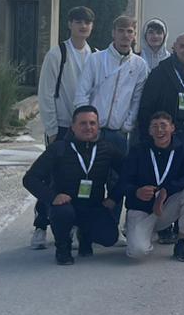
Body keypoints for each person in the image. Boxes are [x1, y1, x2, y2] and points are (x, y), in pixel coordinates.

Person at [22, 105, 122, 265]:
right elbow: (30, 179)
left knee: (109, 237)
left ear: (98, 126)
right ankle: (63, 247)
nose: (88, 127)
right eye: (83, 123)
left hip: (93, 205)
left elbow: (128, 174)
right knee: (63, 212)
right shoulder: (58, 149)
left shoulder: (107, 149)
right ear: (73, 127)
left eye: (92, 123)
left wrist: (113, 197)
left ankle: (85, 236)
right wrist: (52, 197)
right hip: (65, 205)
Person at [31, 4, 95, 247]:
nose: (83, 26)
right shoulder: (57, 54)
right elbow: (46, 93)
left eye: (87, 22)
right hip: (61, 126)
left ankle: (73, 226)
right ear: (69, 24)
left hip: (85, 129)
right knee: (51, 178)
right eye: (78, 21)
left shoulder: (94, 55)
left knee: (80, 177)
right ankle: (40, 226)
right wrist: (51, 129)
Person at [117, 111, 184, 262]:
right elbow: (123, 181)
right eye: (154, 126)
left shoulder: (182, 150)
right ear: (149, 131)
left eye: (163, 125)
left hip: (164, 209)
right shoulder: (138, 150)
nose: (159, 130)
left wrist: (167, 189)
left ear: (172, 128)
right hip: (141, 209)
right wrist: (136, 191)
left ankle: (182, 240)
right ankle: (145, 234)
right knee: (137, 252)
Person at [75, 15, 147, 158]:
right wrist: (86, 122)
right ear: (113, 33)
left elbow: (137, 98)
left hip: (119, 133)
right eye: (121, 30)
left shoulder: (140, 65)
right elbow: (82, 92)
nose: (125, 35)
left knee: (118, 171)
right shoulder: (96, 59)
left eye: (129, 31)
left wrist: (127, 125)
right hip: (93, 131)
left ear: (134, 35)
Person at [137, 33, 184, 168]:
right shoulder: (159, 72)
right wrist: (146, 135)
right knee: (163, 172)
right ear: (174, 47)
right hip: (164, 134)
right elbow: (146, 106)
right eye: (183, 46)